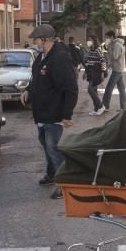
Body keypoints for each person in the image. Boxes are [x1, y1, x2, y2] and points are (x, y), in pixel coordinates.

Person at [25, 24, 77, 198]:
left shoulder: (60, 58)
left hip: (53, 112)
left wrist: (67, 114)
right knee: (46, 146)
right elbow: (36, 79)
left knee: (53, 148)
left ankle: (64, 184)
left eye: (36, 38)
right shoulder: (42, 57)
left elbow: (70, 88)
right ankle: (51, 174)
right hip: (41, 112)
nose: (34, 41)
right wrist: (27, 90)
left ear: (44, 39)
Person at [98, 30, 126, 113]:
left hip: (117, 70)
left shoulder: (117, 45)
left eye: (107, 38)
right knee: (121, 89)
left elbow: (114, 57)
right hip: (117, 69)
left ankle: (105, 106)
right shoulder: (114, 44)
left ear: (112, 37)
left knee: (109, 88)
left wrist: (107, 50)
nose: (106, 39)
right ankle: (124, 107)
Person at [83, 36, 106, 115]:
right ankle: (96, 109)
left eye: (90, 40)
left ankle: (101, 106)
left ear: (94, 41)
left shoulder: (98, 50)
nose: (88, 41)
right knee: (94, 91)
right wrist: (85, 72)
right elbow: (89, 62)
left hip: (96, 73)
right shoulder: (90, 50)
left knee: (90, 90)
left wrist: (103, 72)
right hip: (90, 72)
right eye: (88, 40)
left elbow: (103, 61)